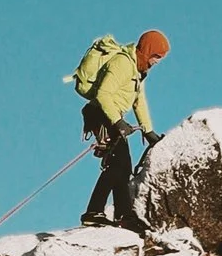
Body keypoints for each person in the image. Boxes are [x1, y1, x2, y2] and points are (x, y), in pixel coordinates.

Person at [71, 28, 169, 226]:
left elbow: (138, 102)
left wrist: (148, 131)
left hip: (111, 117)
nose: (157, 61)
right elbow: (103, 94)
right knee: (117, 164)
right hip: (101, 115)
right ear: (148, 50)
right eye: (156, 56)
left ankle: (123, 215)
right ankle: (94, 212)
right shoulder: (123, 63)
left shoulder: (138, 70)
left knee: (123, 166)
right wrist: (118, 122)